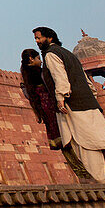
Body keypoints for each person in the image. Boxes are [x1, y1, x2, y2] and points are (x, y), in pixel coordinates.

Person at [33, 26, 105, 183]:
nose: (37, 42)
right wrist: (90, 97)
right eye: (36, 39)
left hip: (73, 105)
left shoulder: (51, 55)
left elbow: (60, 78)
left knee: (85, 143)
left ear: (50, 38)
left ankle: (101, 179)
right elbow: (86, 81)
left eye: (39, 38)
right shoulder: (69, 54)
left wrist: (60, 99)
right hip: (89, 103)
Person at [19, 49, 91, 181]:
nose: (40, 61)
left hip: (46, 111)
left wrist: (37, 113)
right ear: (31, 59)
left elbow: (30, 97)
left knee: (64, 144)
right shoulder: (41, 73)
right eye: (38, 58)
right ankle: (89, 171)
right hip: (56, 108)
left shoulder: (26, 77)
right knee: (73, 138)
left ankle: (81, 174)